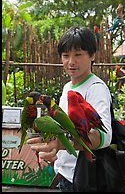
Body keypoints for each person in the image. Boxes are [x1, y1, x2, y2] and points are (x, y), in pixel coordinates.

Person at [27, 26, 112, 192]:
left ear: (93, 55)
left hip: (83, 180)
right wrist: (53, 145)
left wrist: (62, 144)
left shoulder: (96, 88)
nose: (71, 62)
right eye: (66, 55)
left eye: (78, 55)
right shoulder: (68, 88)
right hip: (66, 175)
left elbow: (104, 136)